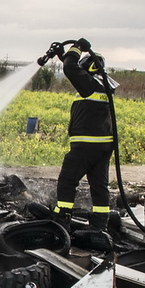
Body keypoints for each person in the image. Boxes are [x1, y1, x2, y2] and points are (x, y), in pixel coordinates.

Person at [49, 38, 115, 236]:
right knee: (99, 185)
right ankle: (100, 226)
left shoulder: (90, 85)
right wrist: (63, 55)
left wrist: (76, 47)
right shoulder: (100, 85)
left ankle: (62, 218)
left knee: (67, 181)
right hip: (102, 147)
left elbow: (71, 69)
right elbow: (72, 69)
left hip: (86, 146)